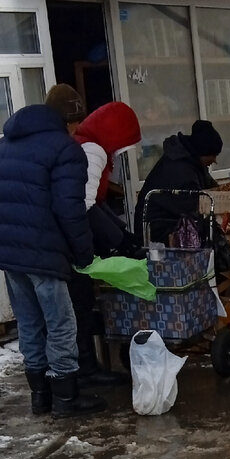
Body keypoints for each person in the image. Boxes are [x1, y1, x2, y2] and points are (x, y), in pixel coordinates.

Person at [0, 84, 104, 417]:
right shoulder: (65, 150)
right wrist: (83, 253)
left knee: (30, 322)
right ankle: (66, 398)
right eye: (76, 122)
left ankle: (40, 397)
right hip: (44, 250)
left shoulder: (4, 145)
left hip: (8, 251)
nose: (78, 129)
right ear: (68, 120)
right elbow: (70, 208)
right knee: (61, 323)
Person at [69, 101, 143, 387]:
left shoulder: (85, 144)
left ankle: (85, 364)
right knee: (81, 303)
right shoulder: (93, 151)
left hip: (69, 235)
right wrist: (120, 242)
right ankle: (85, 368)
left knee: (80, 303)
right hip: (73, 239)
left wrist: (122, 234)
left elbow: (96, 203)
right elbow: (85, 206)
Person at [135, 120, 223, 248]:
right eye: (213, 155)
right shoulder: (180, 169)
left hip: (169, 222)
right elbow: (193, 206)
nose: (215, 161)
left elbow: (211, 186)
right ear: (202, 152)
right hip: (158, 230)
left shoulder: (192, 160)